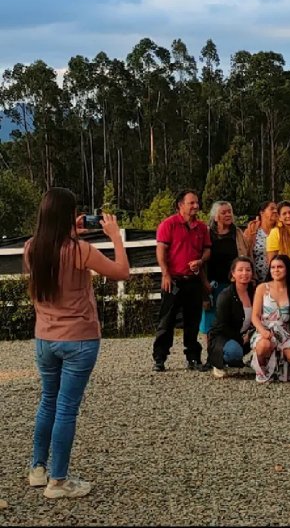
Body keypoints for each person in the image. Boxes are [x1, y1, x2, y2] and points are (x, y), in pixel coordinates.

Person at [25, 189, 130, 499]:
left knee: (48, 401)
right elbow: (121, 271)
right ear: (67, 215)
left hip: (45, 337)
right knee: (67, 409)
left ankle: (38, 469)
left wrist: (71, 231)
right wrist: (114, 236)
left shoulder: (32, 249)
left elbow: (55, 252)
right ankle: (59, 481)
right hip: (79, 338)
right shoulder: (80, 250)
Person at [153, 190, 212, 373]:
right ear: (181, 205)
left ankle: (193, 357)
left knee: (193, 321)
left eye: (197, 202)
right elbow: (161, 250)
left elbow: (207, 250)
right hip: (174, 279)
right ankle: (160, 358)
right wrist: (165, 274)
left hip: (193, 280)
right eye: (191, 203)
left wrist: (201, 261)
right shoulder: (168, 225)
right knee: (167, 320)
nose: (196, 206)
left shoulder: (202, 228)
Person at [202, 201, 250, 367]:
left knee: (231, 319)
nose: (228, 215)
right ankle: (211, 357)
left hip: (234, 284)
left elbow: (246, 254)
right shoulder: (207, 234)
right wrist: (205, 285)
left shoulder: (237, 233)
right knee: (210, 321)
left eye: (230, 211)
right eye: (224, 212)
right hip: (213, 284)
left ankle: (231, 351)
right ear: (215, 216)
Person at [250, 254, 290, 383]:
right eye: (273, 267)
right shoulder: (262, 288)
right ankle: (262, 368)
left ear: (287, 269)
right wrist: (263, 331)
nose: (276, 270)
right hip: (265, 331)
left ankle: (280, 360)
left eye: (280, 267)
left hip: (285, 334)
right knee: (264, 345)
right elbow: (254, 316)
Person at [207, 256, 257, 378]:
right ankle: (218, 363)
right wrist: (240, 339)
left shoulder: (255, 291)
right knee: (234, 352)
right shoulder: (225, 295)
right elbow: (221, 325)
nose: (244, 273)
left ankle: (253, 362)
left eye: (248, 270)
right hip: (223, 335)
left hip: (245, 334)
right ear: (233, 274)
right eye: (240, 270)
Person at [243, 201, 278, 283]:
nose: (275, 211)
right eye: (272, 209)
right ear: (262, 213)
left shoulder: (280, 231)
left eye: (276, 209)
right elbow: (245, 253)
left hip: (277, 280)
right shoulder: (252, 231)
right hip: (256, 281)